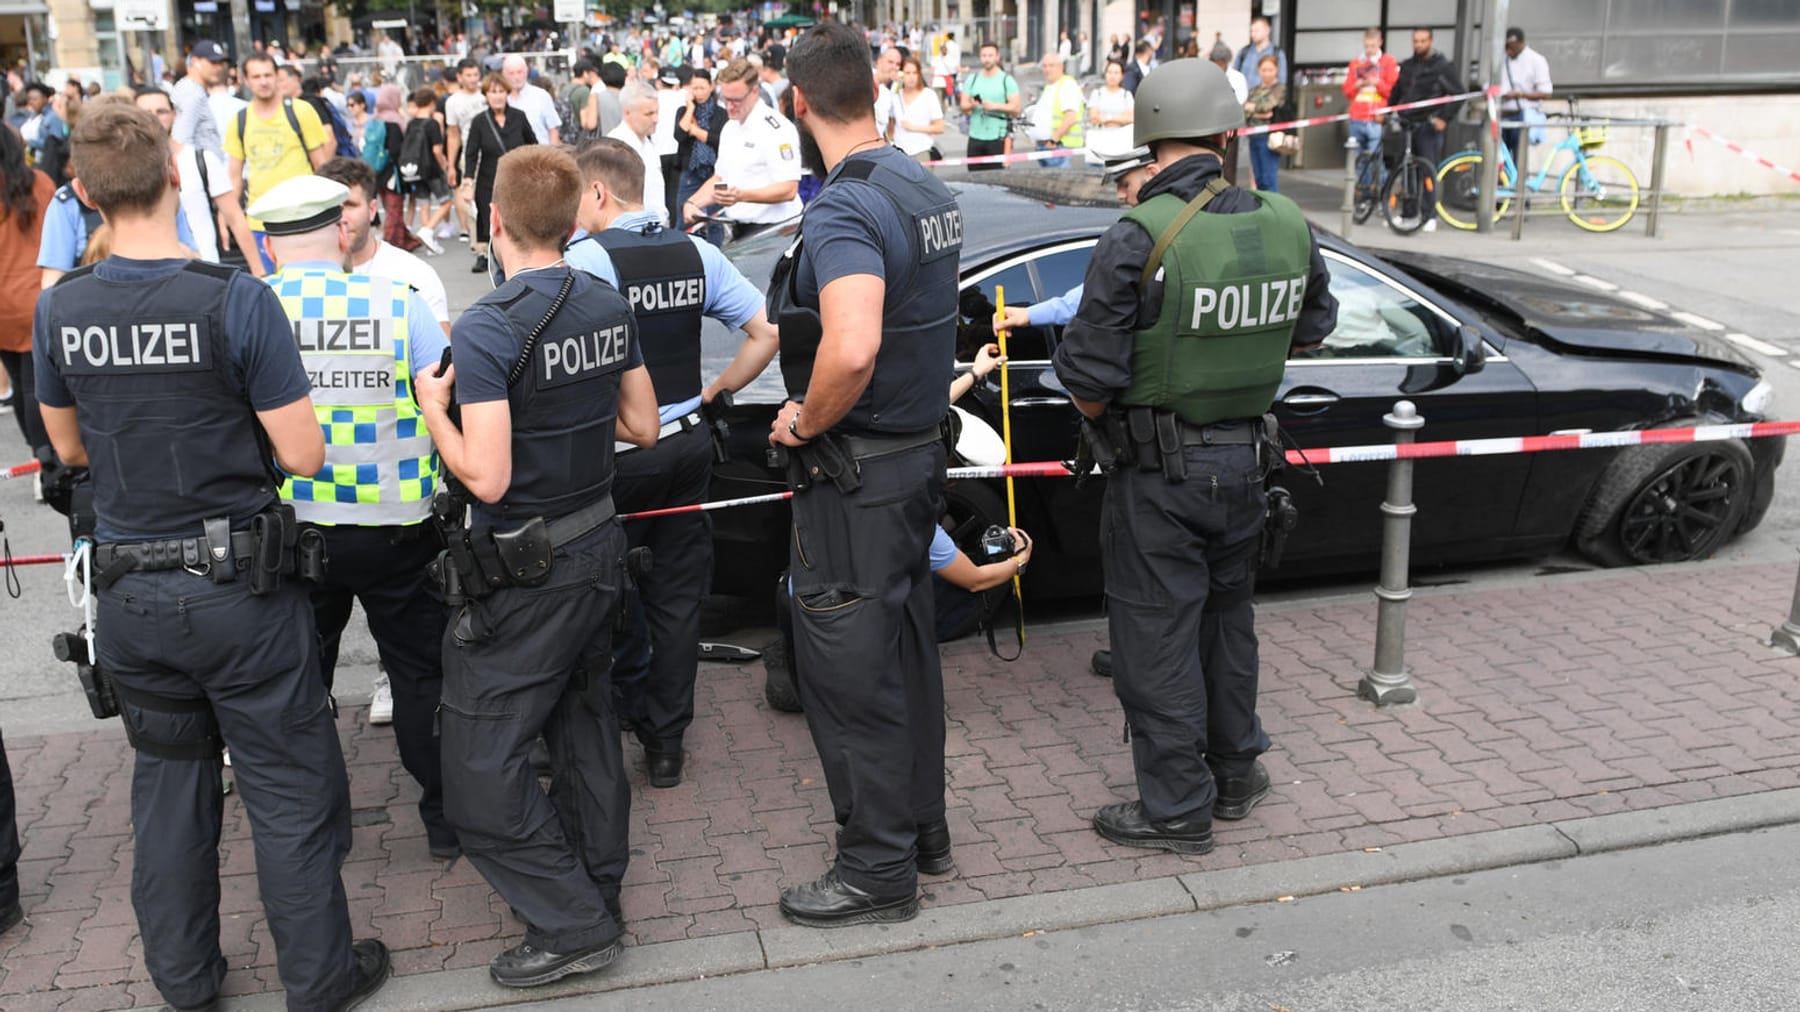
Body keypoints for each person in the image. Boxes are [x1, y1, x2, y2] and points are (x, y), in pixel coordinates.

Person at [33, 100, 389, 1012]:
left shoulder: (62, 306)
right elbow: (304, 454)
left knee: (168, 793)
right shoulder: (232, 297)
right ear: (173, 179)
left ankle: (186, 983)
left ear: (83, 192)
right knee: (287, 786)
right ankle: (319, 979)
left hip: (130, 594)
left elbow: (67, 450)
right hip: (238, 590)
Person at [1051, 59, 1336, 855]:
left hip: (1159, 475)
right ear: (1225, 133)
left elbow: (1087, 381)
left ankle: (1177, 808)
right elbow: (1313, 329)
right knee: (1226, 622)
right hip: (1250, 464)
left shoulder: (1137, 234)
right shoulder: (1287, 218)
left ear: (1149, 135)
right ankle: (1236, 773)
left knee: (1154, 638)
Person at [412, 144, 659, 989]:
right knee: (583, 727)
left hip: (528, 571)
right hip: (598, 547)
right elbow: (645, 426)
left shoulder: (487, 327)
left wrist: (431, 412)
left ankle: (571, 922)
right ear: (573, 215)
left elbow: (486, 476)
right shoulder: (601, 299)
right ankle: (599, 890)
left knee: (479, 762)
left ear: (495, 222)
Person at [762, 19, 963, 929]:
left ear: (798, 103)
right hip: (915, 458)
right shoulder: (919, 179)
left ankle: (879, 869)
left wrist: (804, 417)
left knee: (851, 672)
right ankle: (922, 830)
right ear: (872, 92)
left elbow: (850, 346)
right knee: (907, 651)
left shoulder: (845, 204)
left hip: (860, 473)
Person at [249, 172, 456, 864]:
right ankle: (445, 820)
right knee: (422, 677)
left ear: (269, 245)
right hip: (399, 529)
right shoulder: (400, 303)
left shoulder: (249, 309)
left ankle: (311, 834)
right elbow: (443, 404)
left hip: (293, 532)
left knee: (300, 683)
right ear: (341, 229)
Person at [565, 138, 779, 788]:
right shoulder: (697, 251)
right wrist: (718, 393)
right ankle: (667, 745)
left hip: (618, 455)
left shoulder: (584, 261)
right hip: (687, 447)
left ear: (598, 193)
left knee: (608, 590)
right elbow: (766, 331)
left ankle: (619, 715)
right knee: (679, 598)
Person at [317, 157, 451, 335]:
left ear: (372, 210)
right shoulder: (302, 279)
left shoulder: (415, 275)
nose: (341, 218)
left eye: (351, 206)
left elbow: (443, 356)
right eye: (332, 207)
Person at [227, 52, 331, 272]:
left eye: (268, 75)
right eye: (256, 76)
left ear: (277, 76)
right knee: (272, 292)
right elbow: (234, 178)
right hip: (260, 222)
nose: (263, 81)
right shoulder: (240, 120)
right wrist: (226, 217)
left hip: (303, 218)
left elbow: (322, 166)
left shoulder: (301, 111)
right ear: (246, 80)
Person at [681, 58, 802, 233]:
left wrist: (742, 196)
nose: (729, 107)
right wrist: (693, 202)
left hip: (776, 229)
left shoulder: (776, 129)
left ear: (754, 91)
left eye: (736, 100)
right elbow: (720, 178)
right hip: (740, 227)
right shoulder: (731, 127)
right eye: (725, 98)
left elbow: (788, 189)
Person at [0, 123, 53, 461]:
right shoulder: (40, 184)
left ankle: (37, 455)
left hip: (1, 304)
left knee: (19, 385)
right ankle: (48, 457)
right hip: (37, 295)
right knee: (40, 385)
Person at [462, 72, 537, 275]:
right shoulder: (480, 121)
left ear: (507, 93)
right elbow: (471, 153)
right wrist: (468, 183)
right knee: (489, 221)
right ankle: (489, 256)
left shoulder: (519, 117)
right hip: (489, 181)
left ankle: (518, 257)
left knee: (518, 221)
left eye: (501, 91)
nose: (497, 96)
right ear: (486, 95)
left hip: (517, 180)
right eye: (492, 92)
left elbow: (533, 145)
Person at [1391, 27, 1461, 230]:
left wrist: (1444, 118)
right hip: (1407, 125)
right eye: (1416, 41)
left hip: (1428, 126)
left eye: (1423, 41)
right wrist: (1386, 111)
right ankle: (1408, 212)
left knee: (1428, 172)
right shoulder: (1407, 66)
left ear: (1430, 41)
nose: (1419, 45)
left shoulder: (1442, 67)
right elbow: (1397, 93)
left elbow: (1458, 94)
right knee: (1406, 171)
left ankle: (1429, 215)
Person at [399, 87, 453, 253]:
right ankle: (427, 231)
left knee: (424, 204)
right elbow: (436, 149)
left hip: (415, 170)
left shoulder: (411, 123)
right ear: (431, 103)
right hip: (431, 168)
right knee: (446, 201)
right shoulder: (432, 124)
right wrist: (443, 164)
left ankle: (429, 242)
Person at [605, 79, 665, 226]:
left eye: (657, 112)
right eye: (649, 114)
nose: (656, 119)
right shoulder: (615, 147)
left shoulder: (647, 143)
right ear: (627, 112)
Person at [1343, 28, 1398, 177]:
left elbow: (1393, 91)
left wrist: (1377, 83)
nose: (1369, 50)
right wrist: (1357, 85)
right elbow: (1347, 91)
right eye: (1366, 46)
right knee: (1359, 161)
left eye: (1372, 46)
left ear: (1380, 43)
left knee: (1376, 159)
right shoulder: (1356, 63)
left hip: (1376, 119)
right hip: (1357, 118)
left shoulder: (1388, 62)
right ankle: (1364, 193)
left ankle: (1382, 192)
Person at [958, 42, 1020, 171]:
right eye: (984, 55)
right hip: (975, 136)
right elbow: (963, 105)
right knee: (974, 180)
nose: (987, 59)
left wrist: (995, 106)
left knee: (996, 179)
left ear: (997, 57)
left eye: (990, 55)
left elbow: (1015, 108)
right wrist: (972, 105)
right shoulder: (972, 79)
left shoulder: (1006, 80)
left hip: (997, 138)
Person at [443, 58, 485, 242]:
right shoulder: (453, 102)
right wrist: (451, 165)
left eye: (476, 74)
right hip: (469, 154)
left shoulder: (488, 93)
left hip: (493, 152)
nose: (473, 79)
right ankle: (479, 247)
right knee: (470, 199)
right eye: (468, 75)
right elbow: (453, 135)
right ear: (459, 77)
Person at [172, 39, 229, 160]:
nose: (218, 68)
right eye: (213, 62)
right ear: (195, 62)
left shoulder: (193, 90)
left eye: (220, 63)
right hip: (200, 172)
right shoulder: (192, 93)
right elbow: (180, 140)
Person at [1501, 27, 1553, 161]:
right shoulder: (1502, 60)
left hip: (1522, 115)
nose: (1508, 51)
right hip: (1502, 114)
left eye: (1511, 47)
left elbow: (1546, 92)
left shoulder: (1536, 60)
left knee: (1519, 157)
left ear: (1521, 43)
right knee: (1501, 159)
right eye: (1506, 47)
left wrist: (1520, 94)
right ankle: (1502, 182)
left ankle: (1518, 181)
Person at [1034, 52, 1084, 168]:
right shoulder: (1050, 86)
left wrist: (1053, 140)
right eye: (1045, 66)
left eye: (1051, 66)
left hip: (1059, 146)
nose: (1047, 69)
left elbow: (1070, 117)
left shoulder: (1067, 85)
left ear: (1061, 67)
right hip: (1048, 146)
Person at [1244, 55, 1286, 191]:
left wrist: (1253, 109)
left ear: (1277, 70)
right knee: (1259, 178)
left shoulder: (1279, 88)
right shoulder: (1254, 90)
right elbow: (1244, 110)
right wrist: (1259, 113)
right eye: (1263, 70)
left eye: (1270, 70)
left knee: (1269, 178)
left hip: (1269, 137)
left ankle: (1274, 209)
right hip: (1253, 136)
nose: (1267, 73)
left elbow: (1268, 106)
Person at [891, 56, 944, 161]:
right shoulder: (895, 96)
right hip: (899, 151)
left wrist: (914, 127)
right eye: (907, 73)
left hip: (922, 149)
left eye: (915, 73)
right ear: (901, 74)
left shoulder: (929, 95)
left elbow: (939, 127)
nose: (911, 77)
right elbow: (890, 125)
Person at [503, 55, 560, 146]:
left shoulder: (541, 96)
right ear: (504, 75)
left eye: (519, 72)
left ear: (526, 71)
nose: (516, 77)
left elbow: (553, 130)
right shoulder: (500, 99)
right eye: (511, 73)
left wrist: (553, 156)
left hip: (541, 155)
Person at [1086, 60, 1133, 165]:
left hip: (1120, 143)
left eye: (1116, 73)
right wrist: (1120, 118)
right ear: (1105, 74)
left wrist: (1107, 118)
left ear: (1122, 76)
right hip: (1100, 141)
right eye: (1110, 72)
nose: (1112, 76)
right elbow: (1094, 117)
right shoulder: (1097, 93)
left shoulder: (1126, 95)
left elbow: (1131, 118)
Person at [1233, 15, 1287, 85]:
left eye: (1257, 30)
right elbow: (1234, 78)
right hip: (1245, 95)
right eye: (1251, 31)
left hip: (1267, 95)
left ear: (1267, 30)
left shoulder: (1277, 53)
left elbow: (1282, 82)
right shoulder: (1244, 52)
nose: (1253, 34)